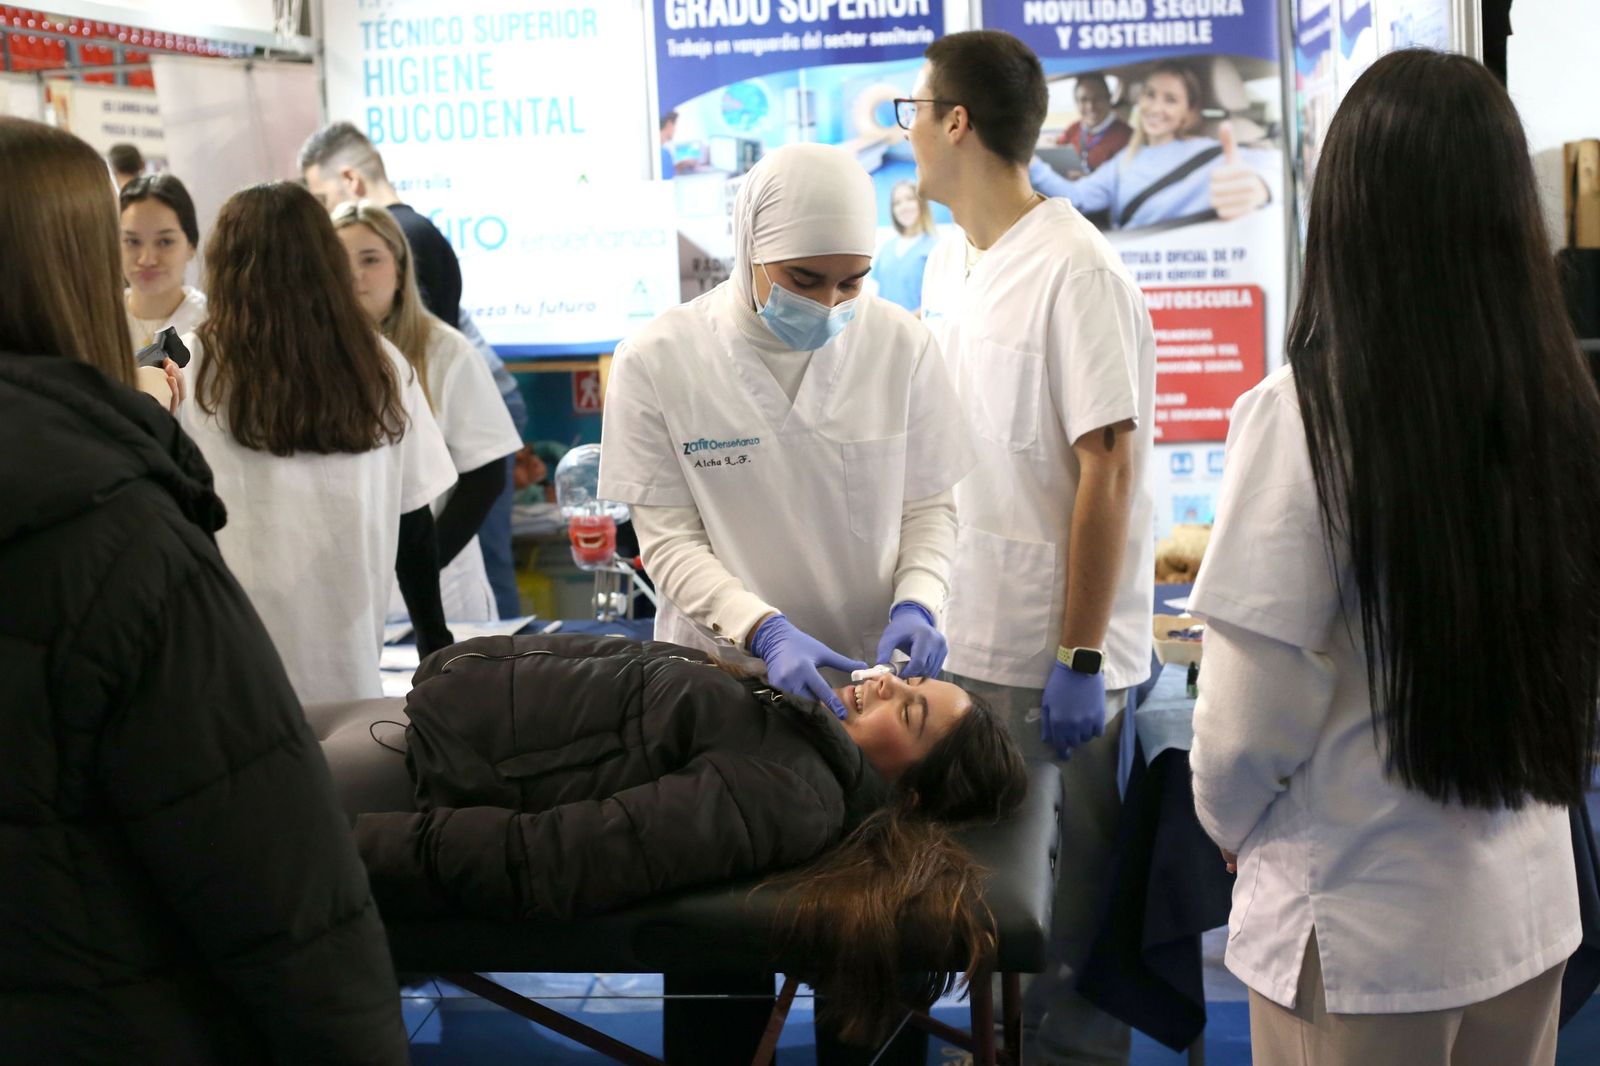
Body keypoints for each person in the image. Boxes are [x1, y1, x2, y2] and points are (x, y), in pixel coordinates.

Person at [1189, 50, 1599, 1066]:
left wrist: (1226, 824)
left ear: (1349, 212)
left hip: (1365, 935)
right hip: (1523, 912)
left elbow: (1244, 730)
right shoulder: (1563, 407)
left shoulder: (1307, 415)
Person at [0, 115, 408, 1064]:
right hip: (93, 998)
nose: (139, 261)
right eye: (120, 241)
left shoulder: (162, 410)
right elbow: (269, 876)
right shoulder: (118, 511)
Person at [346, 633, 1029, 1045]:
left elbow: (560, 856)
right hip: (445, 713)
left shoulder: (791, 794)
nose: (879, 681)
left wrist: (345, 856)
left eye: (906, 709)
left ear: (908, 793)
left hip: (435, 768)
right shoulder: (801, 730)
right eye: (905, 680)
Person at [906, 29, 1156, 1066]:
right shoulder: (945, 261)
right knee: (983, 915)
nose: (907, 130)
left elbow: (1109, 466)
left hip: (1062, 664)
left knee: (1070, 919)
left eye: (914, 110)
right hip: (969, 644)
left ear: (956, 122)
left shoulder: (1076, 269)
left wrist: (1080, 656)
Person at [599, 143, 974, 722]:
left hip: (869, 677)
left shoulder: (901, 345)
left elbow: (928, 507)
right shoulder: (657, 360)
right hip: (721, 677)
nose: (827, 304)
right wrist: (761, 630)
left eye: (852, 282)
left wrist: (920, 599)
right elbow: (669, 540)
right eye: (804, 278)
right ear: (749, 245)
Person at [177, 181, 458, 704]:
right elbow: (413, 523)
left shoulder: (190, 367)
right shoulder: (381, 365)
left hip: (227, 677)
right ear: (328, 262)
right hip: (350, 674)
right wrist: (433, 646)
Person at [301, 119, 525, 619]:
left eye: (371, 259)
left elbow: (484, 478)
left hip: (440, 580)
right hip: (363, 587)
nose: (355, 276)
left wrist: (421, 567)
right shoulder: (317, 355)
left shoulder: (445, 351)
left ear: (401, 269)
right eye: (340, 260)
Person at [1029, 62, 1272, 231]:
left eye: (1171, 100)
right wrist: (1029, 160)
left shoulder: (1212, 153)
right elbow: (1077, 197)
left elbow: (1275, 167)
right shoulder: (1124, 160)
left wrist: (1262, 187)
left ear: (1187, 112)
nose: (1155, 108)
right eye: (1150, 94)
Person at [120, 172, 207, 349]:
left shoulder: (211, 323)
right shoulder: (98, 322)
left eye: (165, 242)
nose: (147, 260)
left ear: (191, 245)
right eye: (133, 241)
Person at [870, 179, 938, 313]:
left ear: (921, 203)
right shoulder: (886, 249)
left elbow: (938, 300)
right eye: (897, 203)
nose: (904, 207)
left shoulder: (935, 248)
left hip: (918, 329)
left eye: (910, 199)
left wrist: (905, 324)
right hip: (886, 328)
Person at [1054, 73, 1132, 175]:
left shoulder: (1127, 136)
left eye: (1098, 98)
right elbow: (1057, 152)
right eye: (1084, 99)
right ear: (1077, 103)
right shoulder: (1073, 128)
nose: (1091, 106)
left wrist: (1088, 180)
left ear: (1109, 99)